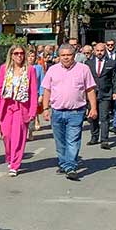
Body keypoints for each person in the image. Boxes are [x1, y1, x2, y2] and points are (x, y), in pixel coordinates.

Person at [41, 44, 98, 181]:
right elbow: (47, 90)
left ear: (74, 55)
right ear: (59, 56)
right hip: (57, 111)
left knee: (73, 140)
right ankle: (63, 163)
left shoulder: (83, 69)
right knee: (60, 141)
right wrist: (45, 108)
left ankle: (71, 166)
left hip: (76, 112)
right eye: (63, 55)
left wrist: (93, 108)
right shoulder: (52, 70)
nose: (66, 58)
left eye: (69, 55)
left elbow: (90, 90)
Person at [0, 45, 39, 176]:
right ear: (11, 55)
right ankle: (10, 156)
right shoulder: (4, 69)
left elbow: (33, 92)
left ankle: (15, 164)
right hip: (7, 106)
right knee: (7, 135)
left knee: (18, 137)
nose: (19, 56)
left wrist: (33, 111)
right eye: (16, 53)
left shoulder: (30, 70)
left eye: (21, 53)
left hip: (22, 107)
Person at [87, 42, 116, 149]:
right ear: (94, 51)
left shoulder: (112, 63)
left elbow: (115, 78)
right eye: (98, 50)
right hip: (91, 94)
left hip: (106, 93)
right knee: (93, 117)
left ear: (105, 51)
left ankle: (104, 140)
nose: (99, 52)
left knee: (104, 117)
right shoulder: (88, 63)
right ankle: (94, 137)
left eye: (101, 50)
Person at [26, 50, 45, 139]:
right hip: (23, 94)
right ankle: (24, 131)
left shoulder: (38, 68)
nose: (30, 58)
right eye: (29, 56)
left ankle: (30, 131)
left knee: (32, 113)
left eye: (32, 56)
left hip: (34, 94)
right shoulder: (23, 67)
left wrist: (41, 95)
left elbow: (42, 82)